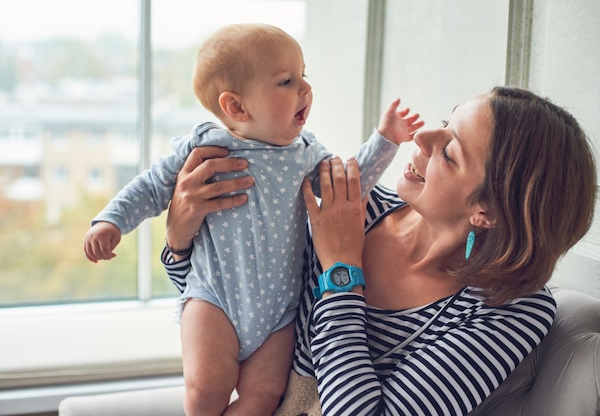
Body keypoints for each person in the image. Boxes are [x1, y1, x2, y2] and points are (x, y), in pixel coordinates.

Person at [162, 86, 597, 415]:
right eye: (445, 121)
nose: (423, 136)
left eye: (449, 151)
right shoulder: (353, 207)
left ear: (488, 211)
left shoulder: (510, 309)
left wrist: (341, 270)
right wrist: (179, 243)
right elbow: (231, 306)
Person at [84, 23, 423, 415]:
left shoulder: (306, 151)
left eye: (304, 75)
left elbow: (347, 187)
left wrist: (385, 139)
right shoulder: (207, 145)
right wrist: (110, 221)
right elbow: (152, 186)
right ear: (236, 107)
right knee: (205, 389)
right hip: (215, 299)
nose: (305, 89)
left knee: (263, 396)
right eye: (286, 81)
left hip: (281, 313)